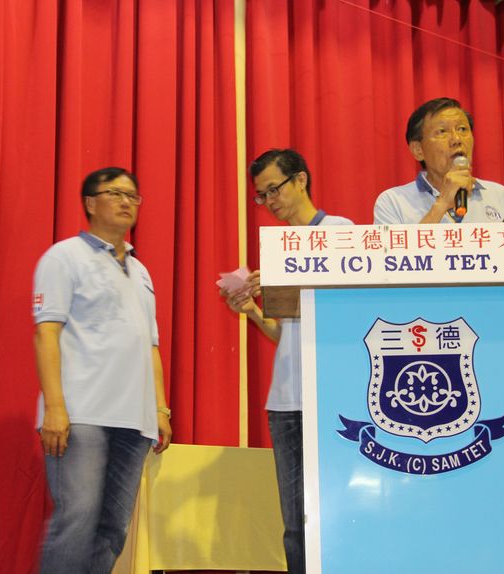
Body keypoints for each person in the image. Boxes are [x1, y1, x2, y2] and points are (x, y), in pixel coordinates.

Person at [33, 167, 172, 574]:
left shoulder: (140, 271)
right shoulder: (64, 257)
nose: (127, 202)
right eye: (115, 193)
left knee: (113, 529)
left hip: (134, 421)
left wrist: (160, 409)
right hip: (82, 416)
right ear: (91, 203)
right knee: (77, 521)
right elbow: (46, 334)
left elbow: (150, 345)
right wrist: (55, 408)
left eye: (133, 195)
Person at [220, 149, 352, 574]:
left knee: (340, 514)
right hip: (286, 401)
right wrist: (254, 312)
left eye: (273, 189)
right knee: (295, 525)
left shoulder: (340, 232)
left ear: (301, 180)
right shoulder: (281, 247)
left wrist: (284, 280)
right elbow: (287, 333)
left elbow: (346, 314)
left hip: (332, 396)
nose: (269, 201)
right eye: (261, 196)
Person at [374, 97, 504, 225]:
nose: (457, 139)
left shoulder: (499, 195)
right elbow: (399, 251)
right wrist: (443, 202)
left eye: (462, 129)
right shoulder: (393, 202)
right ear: (418, 150)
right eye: (442, 132)